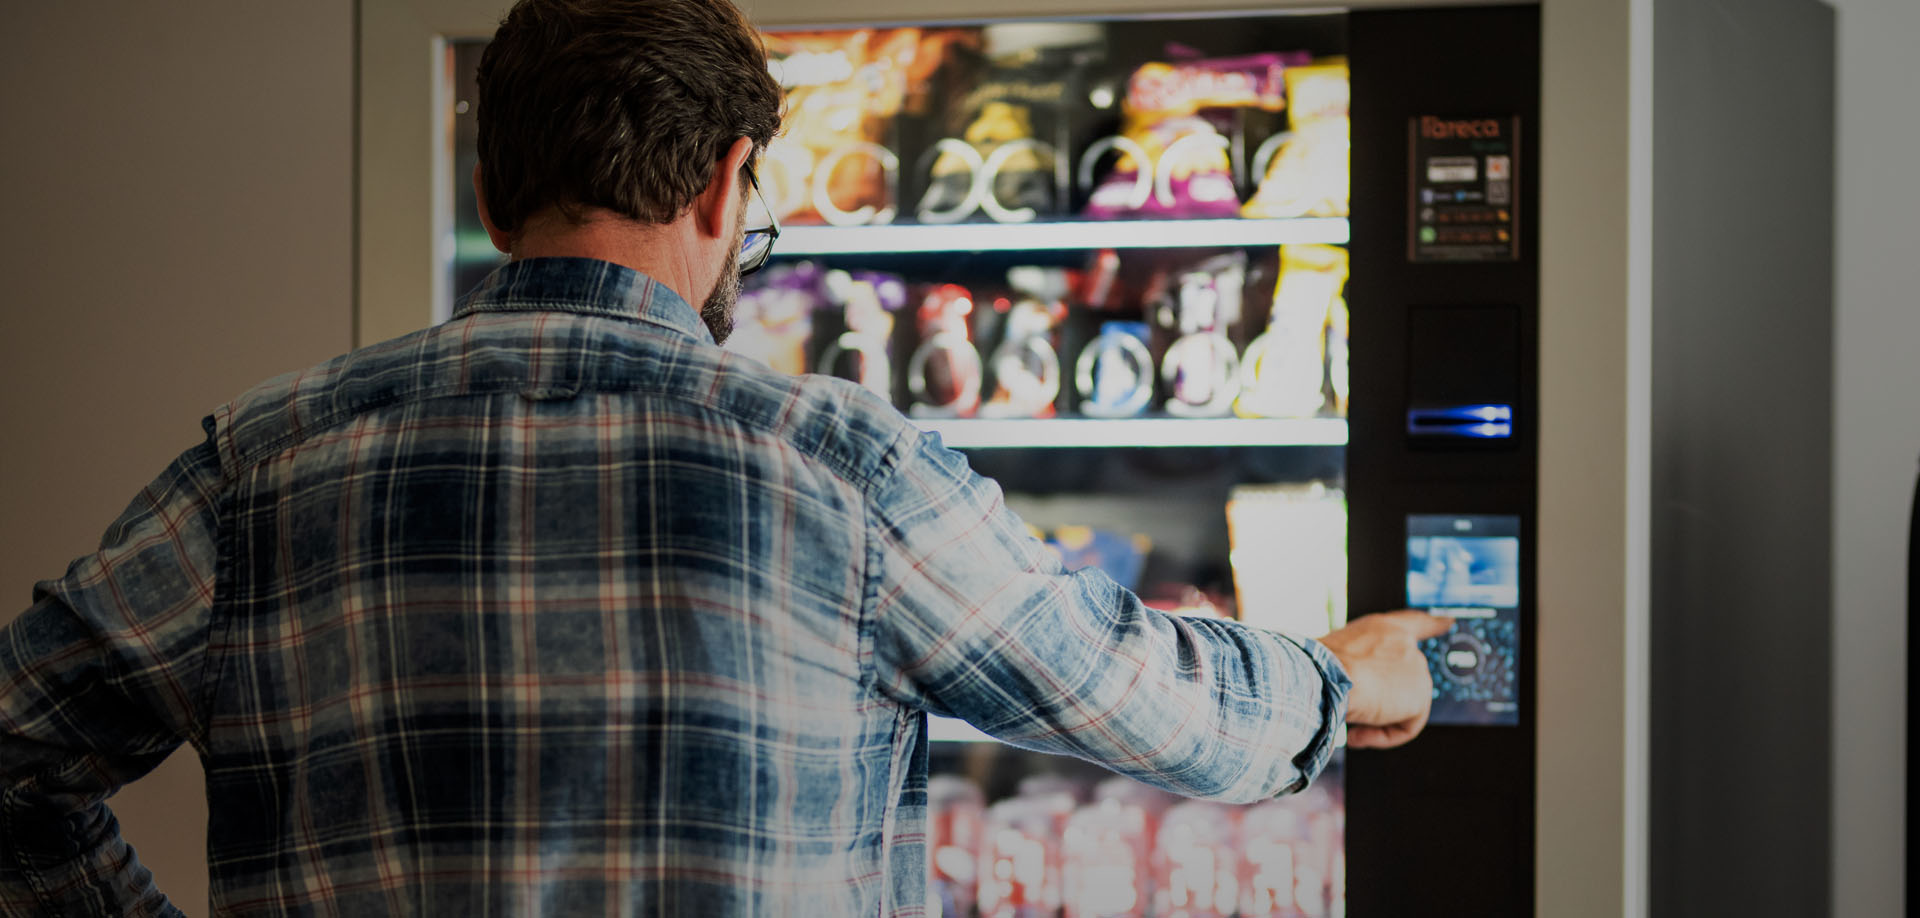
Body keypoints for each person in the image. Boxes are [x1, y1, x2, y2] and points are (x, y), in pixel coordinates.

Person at [0, 1, 1450, 914]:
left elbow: (15, 753)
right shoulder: (842, 467)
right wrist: (1339, 674)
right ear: (720, 184)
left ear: (494, 192)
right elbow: (1137, 694)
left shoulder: (266, 462)